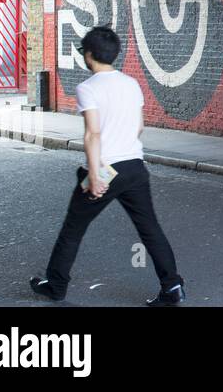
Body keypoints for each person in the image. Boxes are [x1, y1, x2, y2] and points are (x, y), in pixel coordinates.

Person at [30, 26, 186, 306]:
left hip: (105, 168)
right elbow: (138, 126)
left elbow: (93, 134)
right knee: (150, 228)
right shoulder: (131, 83)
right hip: (135, 167)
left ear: (89, 55)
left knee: (73, 228)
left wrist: (95, 173)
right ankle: (172, 286)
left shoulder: (87, 88)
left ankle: (55, 285)